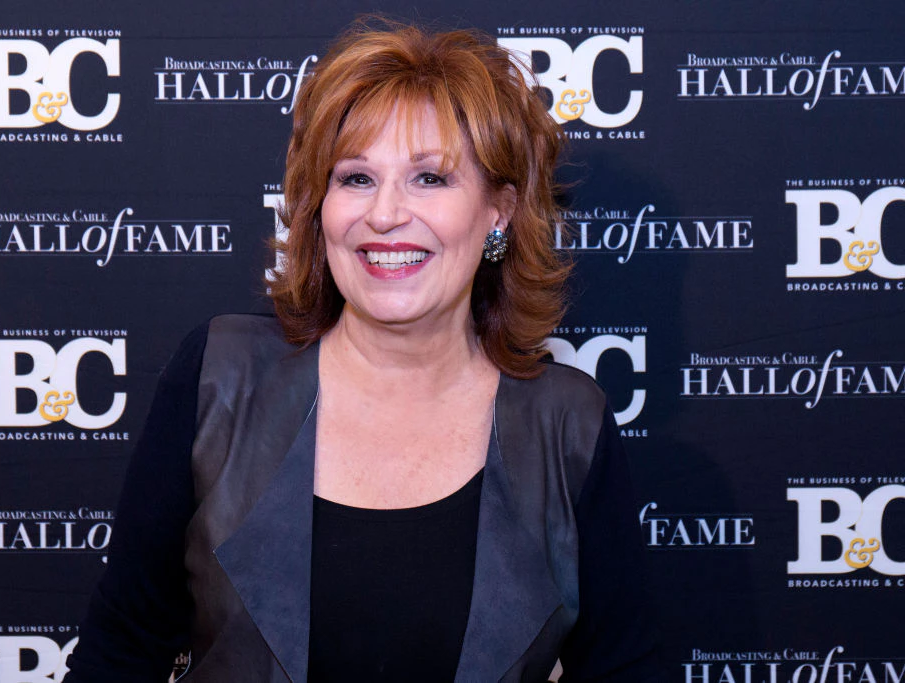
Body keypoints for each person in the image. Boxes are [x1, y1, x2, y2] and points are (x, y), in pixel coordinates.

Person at [64, 21, 662, 683]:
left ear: (499, 210)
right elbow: (117, 654)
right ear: (321, 206)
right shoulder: (218, 380)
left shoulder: (568, 425)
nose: (385, 214)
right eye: (355, 178)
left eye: (430, 178)